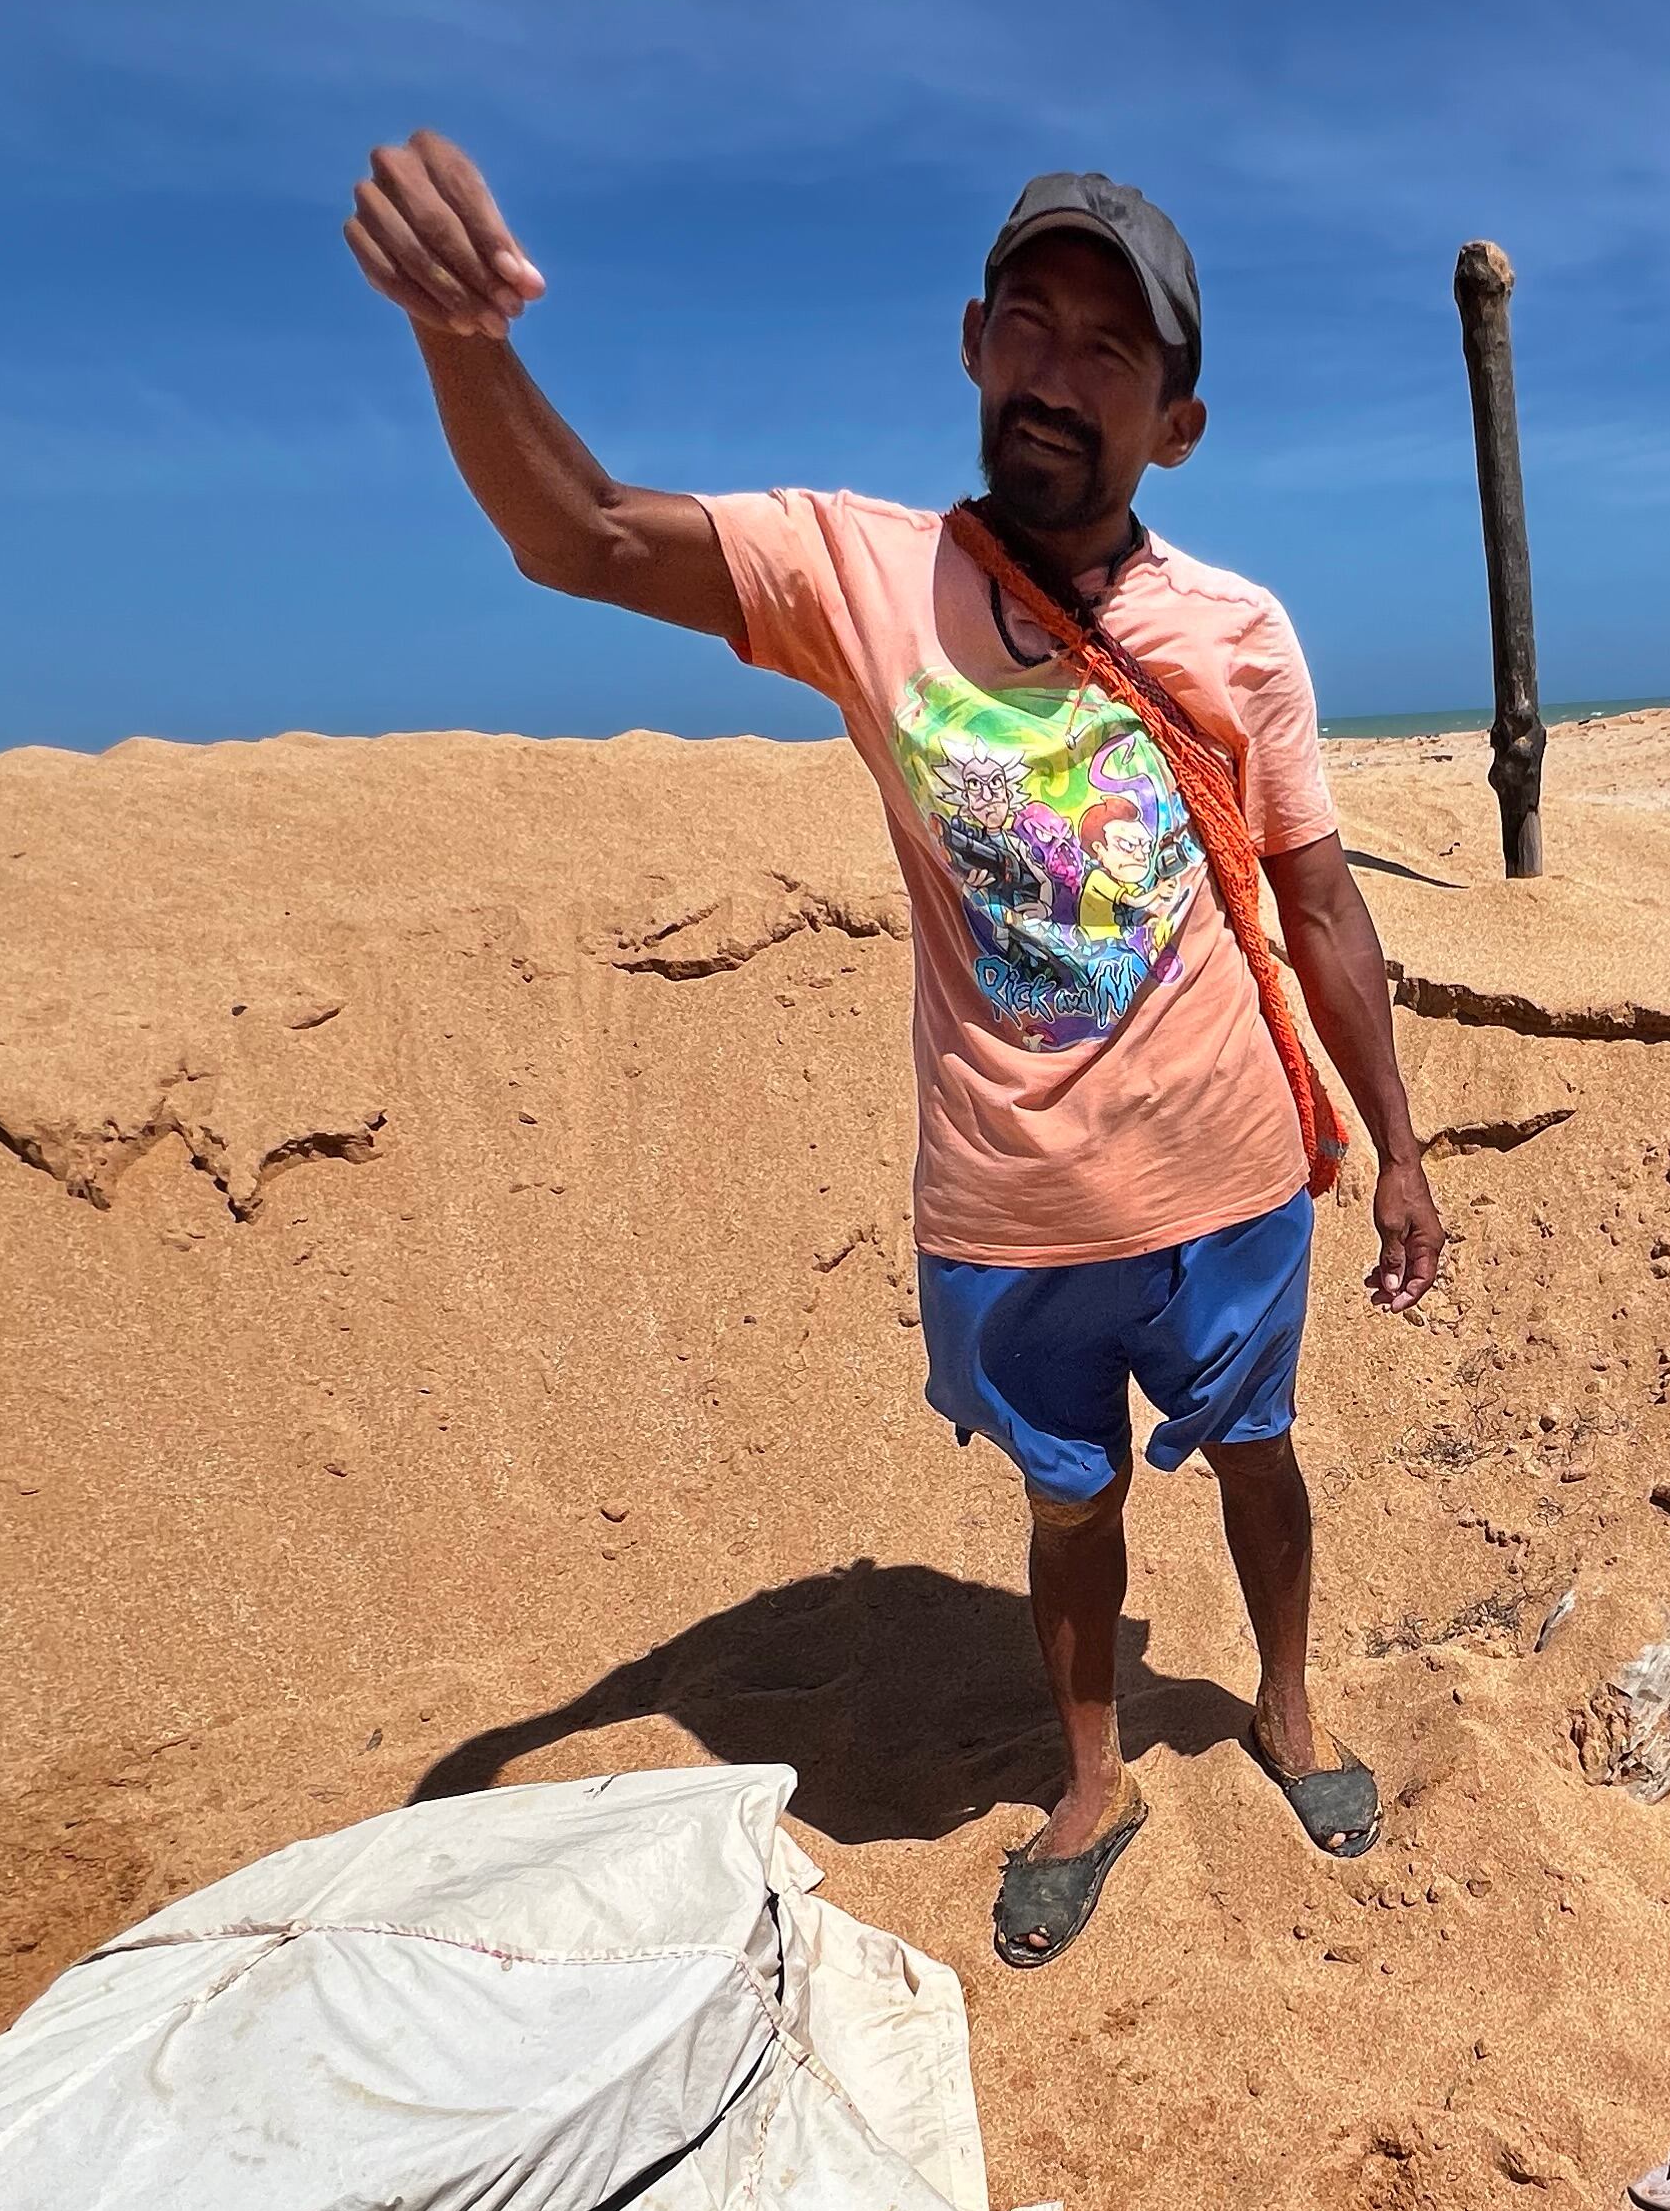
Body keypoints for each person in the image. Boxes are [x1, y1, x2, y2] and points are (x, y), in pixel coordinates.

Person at [344, 131, 1443, 1967]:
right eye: (1031, 324)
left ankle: (1288, 1705)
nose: (1058, 373)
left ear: (1176, 422)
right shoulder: (861, 575)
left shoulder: (1240, 634)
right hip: (1009, 1205)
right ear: (971, 343)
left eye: (1110, 350)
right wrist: (461, 337)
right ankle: (1092, 1779)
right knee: (1068, 1508)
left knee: (1260, 1454)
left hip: (1235, 1174)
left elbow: (1322, 904)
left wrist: (1397, 1147)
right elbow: (579, 534)